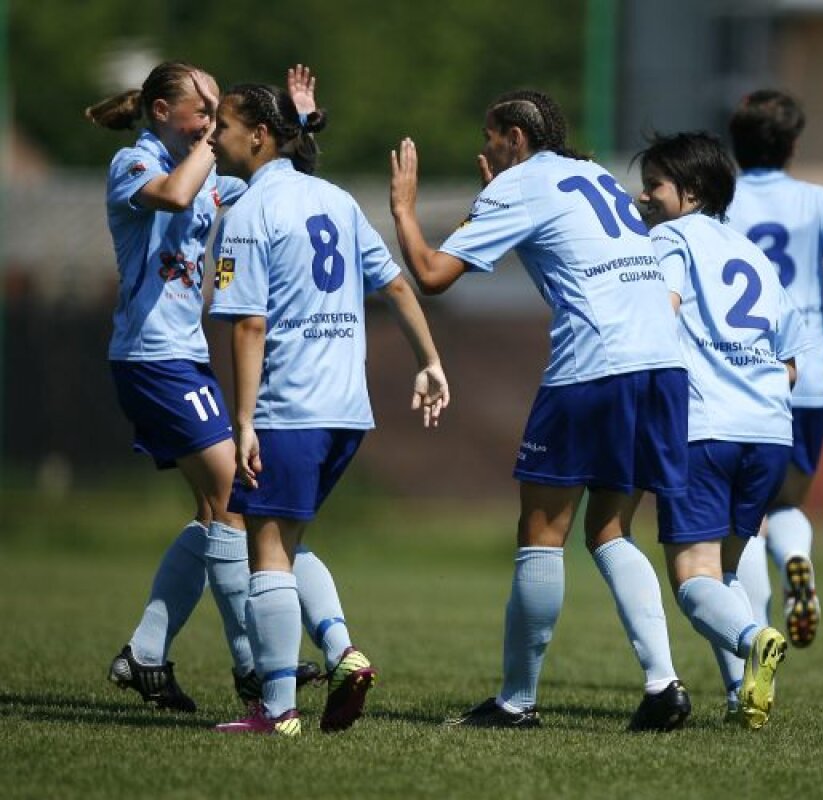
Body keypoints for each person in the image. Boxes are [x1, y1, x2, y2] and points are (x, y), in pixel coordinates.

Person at [389, 89, 691, 731]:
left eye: (491, 136)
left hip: (596, 368)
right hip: (661, 365)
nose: (486, 148)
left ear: (515, 140)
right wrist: (495, 199)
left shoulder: (520, 183)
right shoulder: (594, 175)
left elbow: (431, 273)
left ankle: (516, 700)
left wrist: (404, 209)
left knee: (541, 532)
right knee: (609, 530)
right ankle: (664, 685)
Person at [88, 62, 346, 712]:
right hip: (152, 359)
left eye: (217, 113)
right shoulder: (136, 165)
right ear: (161, 113)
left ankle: (146, 654)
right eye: (202, 108)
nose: (212, 121)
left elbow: (275, 179)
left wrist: (300, 125)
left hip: (185, 359)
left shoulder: (206, 172)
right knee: (236, 501)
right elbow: (175, 196)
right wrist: (213, 141)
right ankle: (255, 667)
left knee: (216, 513)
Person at [207, 82, 448, 736]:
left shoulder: (251, 213)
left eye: (223, 125)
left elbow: (249, 325)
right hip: (347, 410)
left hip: (290, 406)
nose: (214, 137)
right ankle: (337, 653)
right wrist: (430, 360)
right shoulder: (337, 200)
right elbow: (395, 284)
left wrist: (244, 420)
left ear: (259, 135)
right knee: (284, 542)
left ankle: (277, 709)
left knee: (267, 552)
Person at [635, 131, 803, 729]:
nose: (643, 196)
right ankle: (740, 696)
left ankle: (756, 637)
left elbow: (661, 312)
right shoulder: (752, 253)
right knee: (724, 572)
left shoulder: (670, 239)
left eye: (654, 184)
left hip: (705, 427)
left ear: (692, 191)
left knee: (692, 580)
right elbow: (790, 359)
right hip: (769, 431)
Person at [724, 89, 823, 649]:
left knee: (744, 512)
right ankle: (796, 558)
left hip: (739, 370)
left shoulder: (723, 200)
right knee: (786, 501)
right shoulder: (818, 199)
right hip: (808, 374)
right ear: (792, 146)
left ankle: (757, 637)